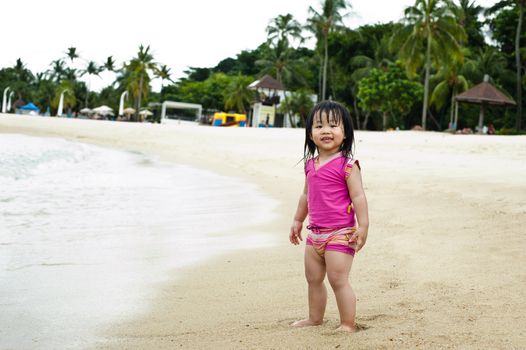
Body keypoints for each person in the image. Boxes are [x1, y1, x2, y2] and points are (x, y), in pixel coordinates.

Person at [289, 100, 369, 332]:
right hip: (315, 235)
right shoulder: (310, 165)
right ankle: (315, 318)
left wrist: (363, 226)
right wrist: (297, 220)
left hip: (341, 234)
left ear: (345, 134)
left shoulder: (348, 165)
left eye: (334, 126)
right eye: (319, 126)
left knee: (338, 279)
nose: (326, 130)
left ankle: (347, 323)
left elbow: (359, 197)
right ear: (310, 134)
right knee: (313, 279)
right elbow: (306, 195)